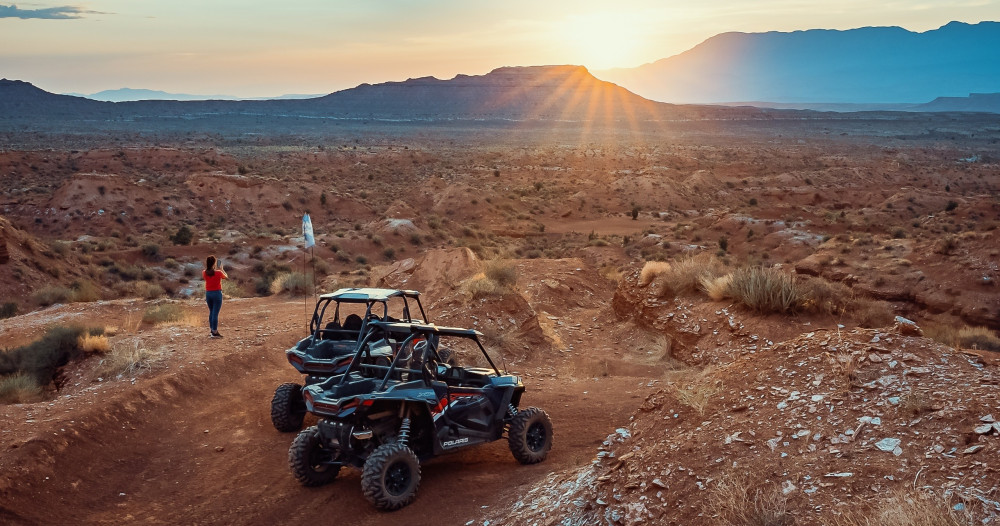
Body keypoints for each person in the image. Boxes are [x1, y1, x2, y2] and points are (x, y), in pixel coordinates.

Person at [203, 255, 228, 338]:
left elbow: (208, 275)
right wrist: (221, 269)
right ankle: (214, 332)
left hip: (208, 293)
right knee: (215, 313)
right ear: (214, 263)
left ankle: (212, 330)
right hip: (217, 293)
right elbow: (226, 277)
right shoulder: (218, 273)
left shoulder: (204, 272)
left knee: (211, 312)